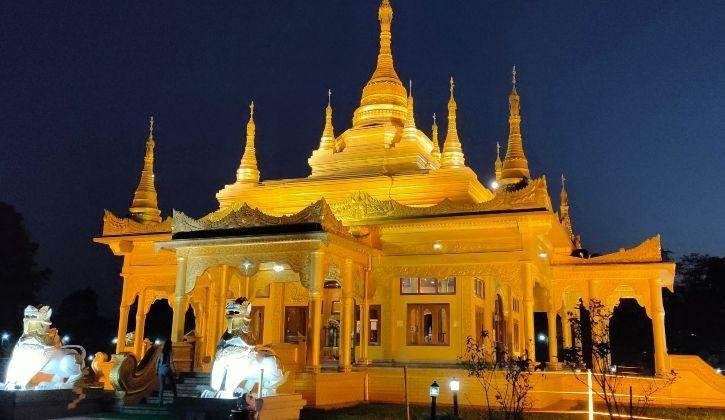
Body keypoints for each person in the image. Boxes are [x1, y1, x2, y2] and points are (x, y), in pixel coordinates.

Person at [156, 340, 177, 406]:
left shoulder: (161, 352)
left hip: (160, 369)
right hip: (167, 368)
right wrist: (174, 370)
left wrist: (156, 370)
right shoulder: (170, 352)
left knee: (162, 386)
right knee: (173, 384)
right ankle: (176, 399)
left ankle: (160, 402)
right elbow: (171, 362)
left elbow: (157, 361)